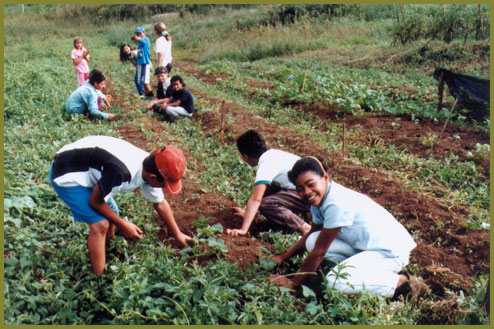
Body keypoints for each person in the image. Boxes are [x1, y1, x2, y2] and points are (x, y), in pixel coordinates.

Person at [270, 157, 427, 300]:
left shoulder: (335, 202)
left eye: (311, 185)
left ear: (325, 178)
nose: (307, 192)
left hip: (389, 252)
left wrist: (293, 283)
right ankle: (356, 270)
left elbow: (320, 252)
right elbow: (313, 233)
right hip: (365, 246)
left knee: (334, 283)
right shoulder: (320, 199)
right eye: (300, 189)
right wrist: (282, 257)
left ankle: (400, 282)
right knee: (312, 240)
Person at [49, 135, 193, 274]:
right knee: (101, 225)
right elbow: (95, 202)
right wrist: (123, 225)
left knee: (113, 213)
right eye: (164, 185)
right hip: (66, 171)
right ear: (153, 177)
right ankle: (98, 278)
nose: (163, 189)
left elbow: (160, 203)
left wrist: (178, 234)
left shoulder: (150, 166)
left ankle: (107, 248)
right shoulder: (121, 171)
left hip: (89, 168)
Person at [226, 130, 312, 237]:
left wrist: (243, 229)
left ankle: (304, 227)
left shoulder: (266, 164)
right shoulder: (273, 154)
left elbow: (256, 199)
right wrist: (247, 212)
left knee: (267, 204)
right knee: (268, 188)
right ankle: (309, 212)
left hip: (309, 195)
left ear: (245, 156)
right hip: (312, 190)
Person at [131, 26, 153, 98]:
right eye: (137, 34)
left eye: (140, 33)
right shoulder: (139, 43)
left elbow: (137, 38)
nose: (139, 35)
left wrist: (135, 37)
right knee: (140, 81)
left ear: (144, 33)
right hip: (140, 63)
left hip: (145, 63)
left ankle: (151, 95)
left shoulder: (146, 39)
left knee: (145, 82)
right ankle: (146, 95)